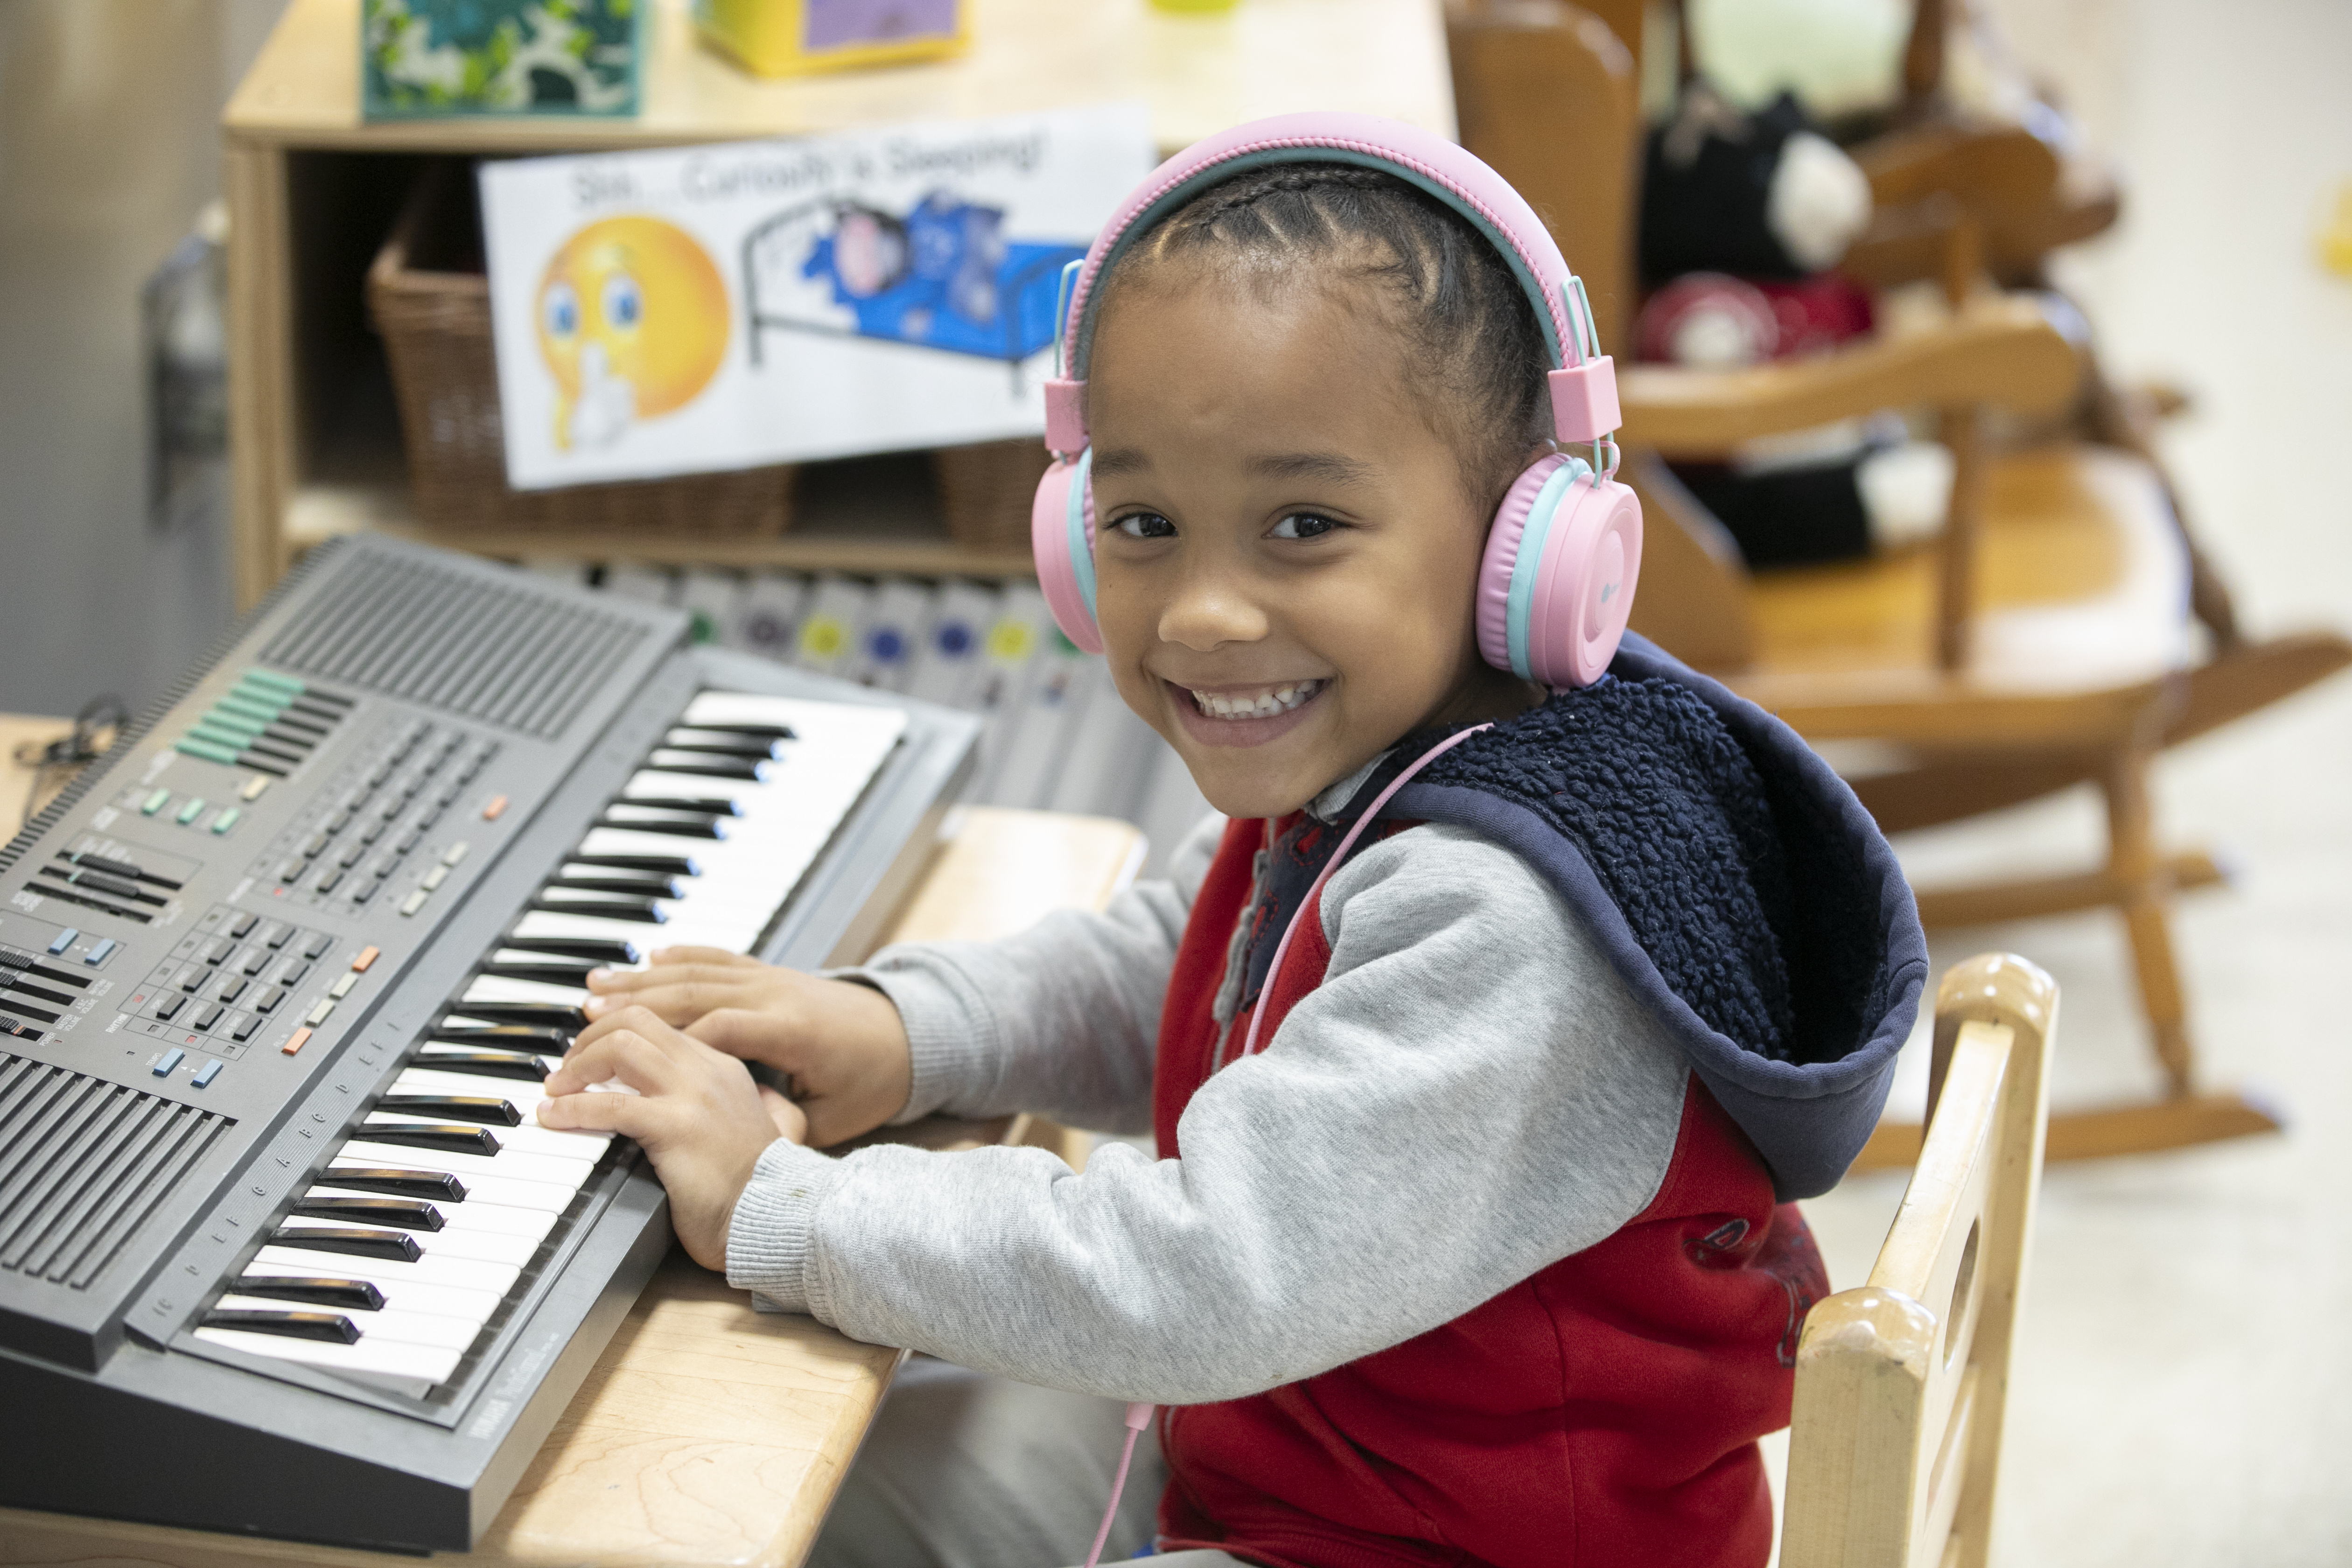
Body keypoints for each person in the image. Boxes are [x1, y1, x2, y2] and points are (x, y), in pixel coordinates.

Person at [537, 115, 1925, 1568]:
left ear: (1535, 544)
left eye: (1304, 523)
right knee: (745, 1480)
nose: (1202, 612)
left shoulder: (1506, 926)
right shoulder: (1396, 763)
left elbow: (1198, 1273)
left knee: (756, 1462)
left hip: (1452, 1547)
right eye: (1141, 522)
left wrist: (784, 1208)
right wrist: (908, 1029)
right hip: (1301, 1453)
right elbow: (1192, 963)